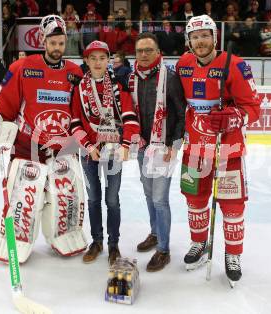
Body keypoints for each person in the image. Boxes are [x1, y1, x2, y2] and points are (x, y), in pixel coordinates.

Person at [0, 15, 87, 263]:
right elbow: (5, 105)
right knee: (25, 199)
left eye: (61, 43)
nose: (57, 48)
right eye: (53, 43)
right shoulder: (23, 68)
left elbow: (82, 110)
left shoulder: (74, 73)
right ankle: (16, 242)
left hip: (63, 149)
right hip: (28, 147)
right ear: (43, 41)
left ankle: (64, 236)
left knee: (66, 197)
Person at [176, 15, 260, 284]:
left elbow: (254, 108)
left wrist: (234, 116)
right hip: (195, 149)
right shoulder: (184, 64)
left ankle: (233, 254)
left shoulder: (234, 65)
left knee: (233, 207)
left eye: (205, 36)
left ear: (214, 37)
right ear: (188, 41)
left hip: (227, 151)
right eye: (195, 37)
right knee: (195, 200)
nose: (200, 41)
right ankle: (199, 243)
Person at [70, 40, 140, 265]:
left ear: (108, 60)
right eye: (93, 58)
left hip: (113, 152)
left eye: (102, 58)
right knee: (93, 199)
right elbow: (74, 123)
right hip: (89, 152)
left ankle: (113, 245)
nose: (98, 62)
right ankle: (97, 241)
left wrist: (127, 145)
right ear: (86, 61)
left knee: (112, 201)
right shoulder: (80, 88)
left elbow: (130, 117)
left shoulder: (119, 85)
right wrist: (89, 147)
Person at [128, 33, 186, 272]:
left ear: (158, 52)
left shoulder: (170, 78)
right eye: (140, 50)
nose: (143, 54)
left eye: (148, 50)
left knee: (160, 200)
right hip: (142, 146)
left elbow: (182, 113)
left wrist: (175, 145)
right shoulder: (132, 78)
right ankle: (155, 233)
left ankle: (163, 249)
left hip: (164, 147)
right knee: (149, 195)